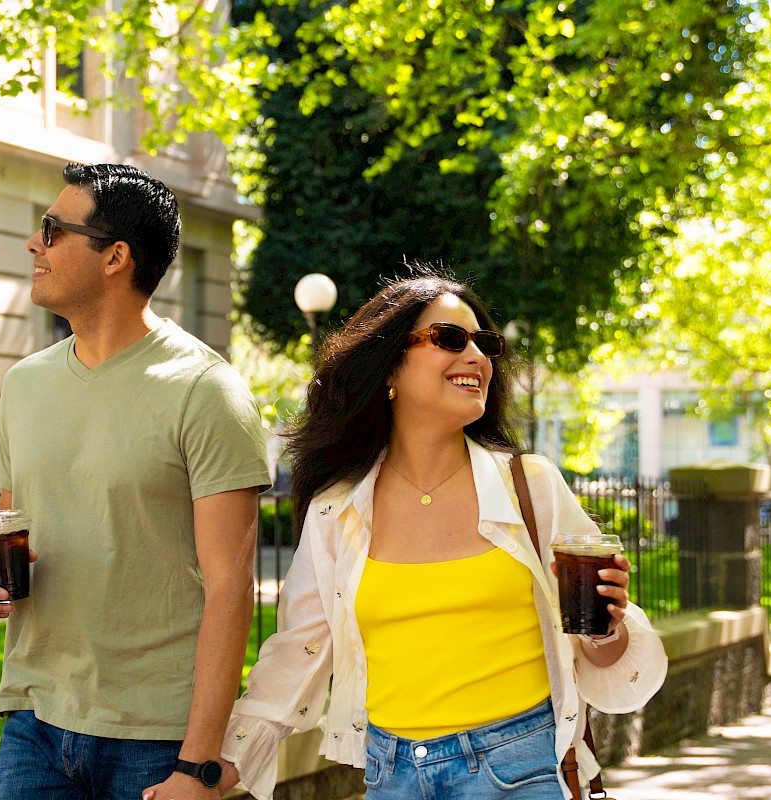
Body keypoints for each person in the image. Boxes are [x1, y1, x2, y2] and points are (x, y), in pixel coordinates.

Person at [214, 270, 668, 800]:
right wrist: (222, 765)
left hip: (518, 770)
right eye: (450, 338)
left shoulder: (531, 487)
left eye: (486, 343)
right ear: (389, 366)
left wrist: (605, 628)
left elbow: (604, 655)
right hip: (391, 775)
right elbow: (298, 652)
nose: (477, 356)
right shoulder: (337, 510)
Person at [0, 162, 272, 800]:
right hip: (36, 720)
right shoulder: (24, 384)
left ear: (115, 258)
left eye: (51, 230)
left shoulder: (205, 391)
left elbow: (230, 589)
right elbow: (13, 527)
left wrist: (197, 764)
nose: (33, 245)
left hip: (156, 736)